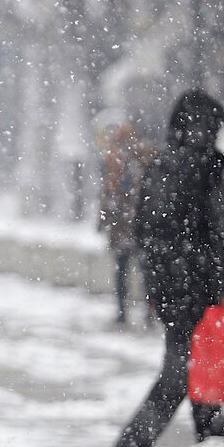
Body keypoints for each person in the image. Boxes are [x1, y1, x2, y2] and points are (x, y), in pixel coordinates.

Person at [105, 91, 224, 447]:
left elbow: (159, 234)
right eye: (213, 127)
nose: (217, 135)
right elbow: (200, 238)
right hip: (187, 286)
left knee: (200, 367)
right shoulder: (188, 169)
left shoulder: (172, 166)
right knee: (180, 375)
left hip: (182, 284)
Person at [97, 121, 155, 325]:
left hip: (131, 223)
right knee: (137, 270)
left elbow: (108, 192)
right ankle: (135, 310)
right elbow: (108, 191)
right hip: (130, 223)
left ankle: (132, 311)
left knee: (134, 270)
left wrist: (104, 218)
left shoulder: (130, 158)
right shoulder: (124, 158)